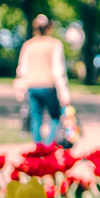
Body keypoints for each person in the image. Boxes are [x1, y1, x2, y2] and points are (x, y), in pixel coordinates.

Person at [14, 15, 71, 144]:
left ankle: (38, 147)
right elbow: (58, 70)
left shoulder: (28, 45)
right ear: (49, 27)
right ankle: (47, 146)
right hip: (48, 86)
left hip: (32, 85)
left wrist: (21, 87)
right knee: (55, 116)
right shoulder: (54, 44)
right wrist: (64, 91)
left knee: (36, 118)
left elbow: (22, 69)